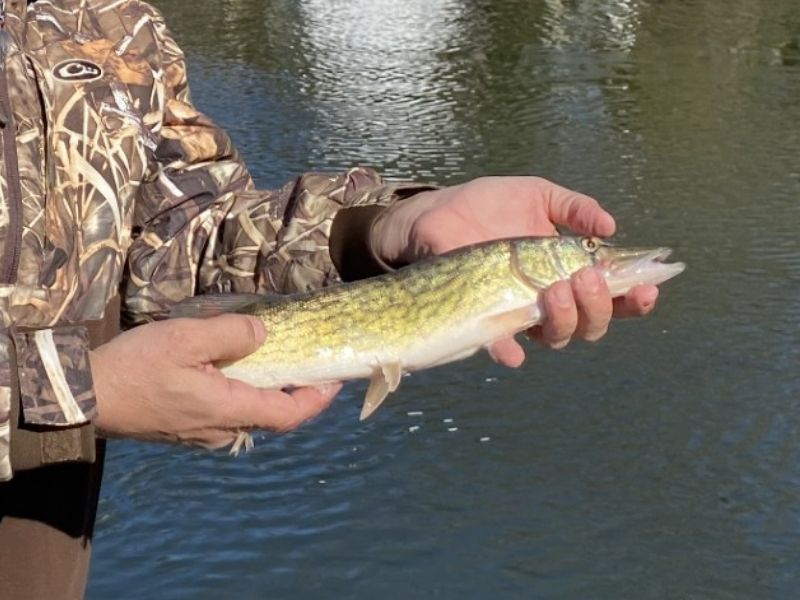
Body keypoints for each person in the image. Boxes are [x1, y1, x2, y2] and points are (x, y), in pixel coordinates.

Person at [0, 0, 660, 598]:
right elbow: (83, 386)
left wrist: (376, 230)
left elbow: (168, 241)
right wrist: (75, 395)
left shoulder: (106, 16)